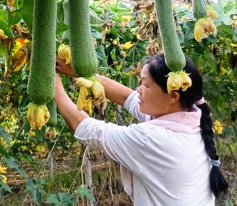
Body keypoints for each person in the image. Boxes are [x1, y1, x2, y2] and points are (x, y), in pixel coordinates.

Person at [54, 53, 228, 205]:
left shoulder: (153, 139)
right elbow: (125, 97)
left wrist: (49, 77)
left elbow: (85, 128)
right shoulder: (191, 117)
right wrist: (79, 71)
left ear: (173, 96)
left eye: (145, 85)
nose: (138, 90)